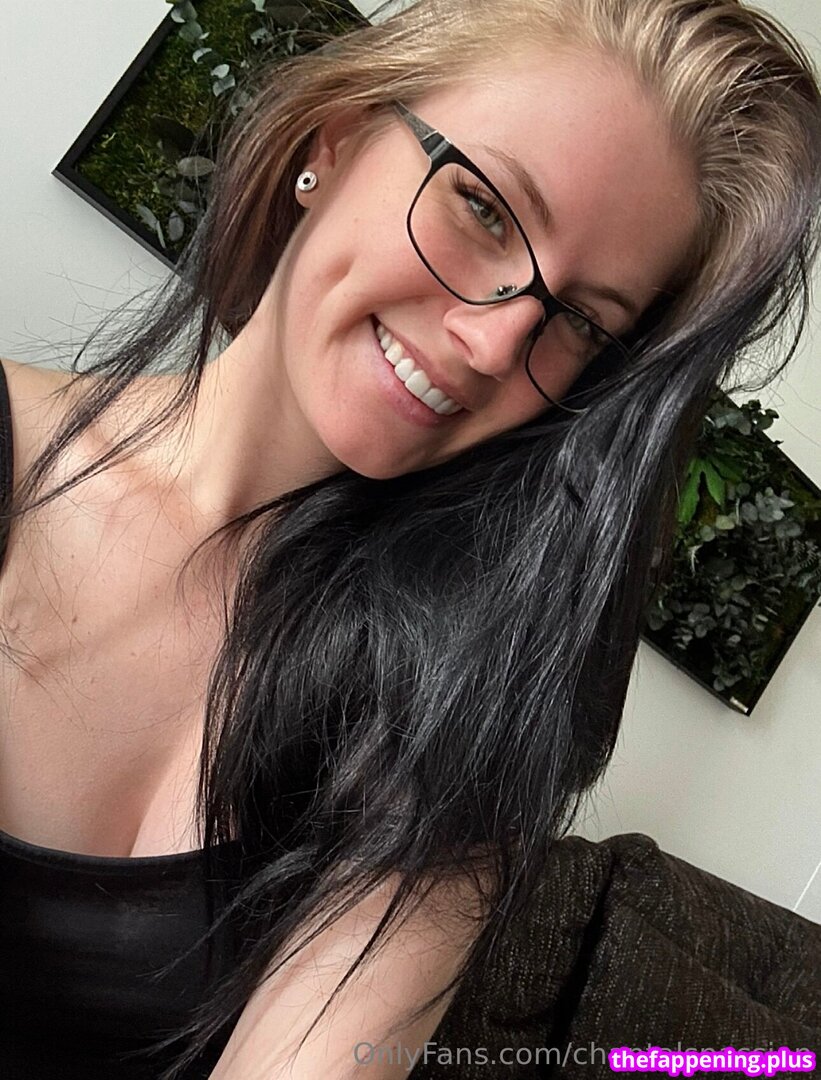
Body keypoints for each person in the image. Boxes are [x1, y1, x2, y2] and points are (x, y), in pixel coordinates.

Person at [0, 0, 819, 1076]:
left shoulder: (458, 695)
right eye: (482, 208)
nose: (494, 343)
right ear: (335, 141)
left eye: (581, 323)